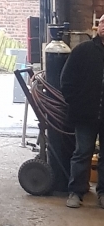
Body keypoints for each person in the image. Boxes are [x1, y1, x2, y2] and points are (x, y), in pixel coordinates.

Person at [61, 16, 104, 209]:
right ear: (98, 27)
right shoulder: (83, 51)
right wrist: (76, 104)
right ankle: (76, 192)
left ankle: (102, 193)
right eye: (103, 23)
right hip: (85, 115)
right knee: (82, 153)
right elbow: (66, 79)